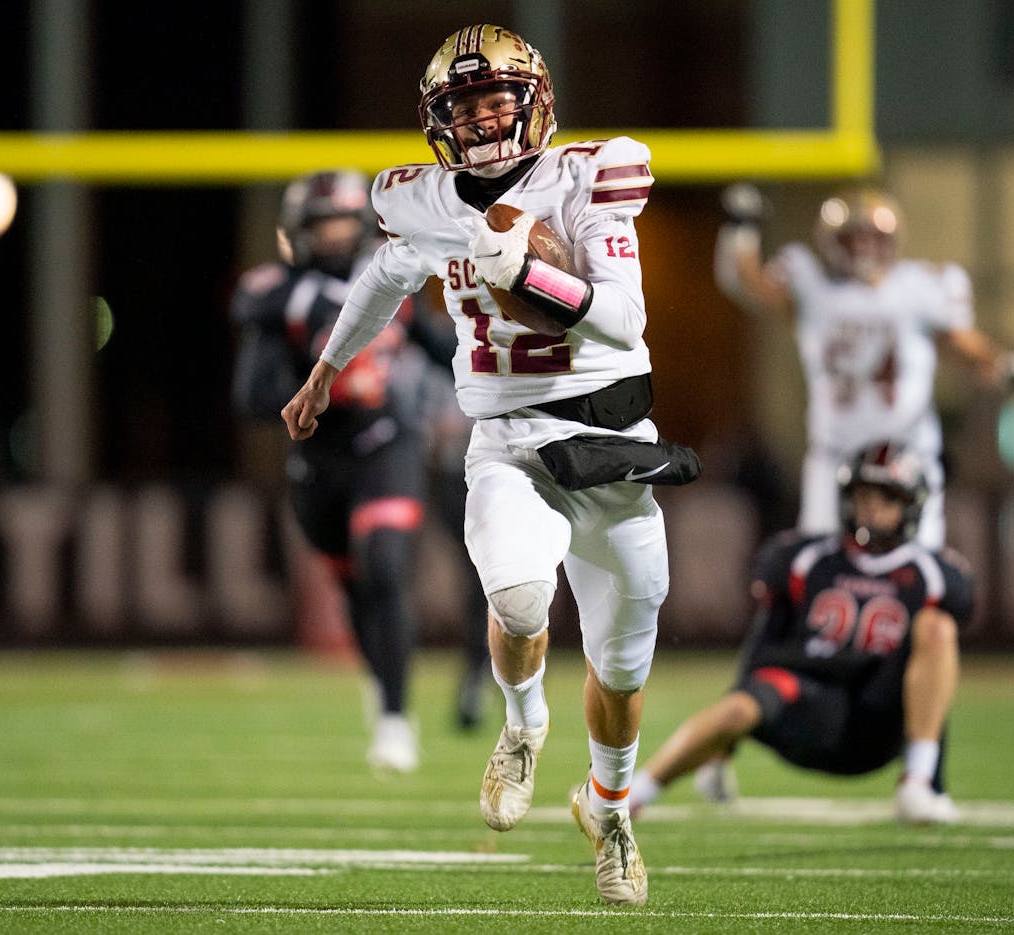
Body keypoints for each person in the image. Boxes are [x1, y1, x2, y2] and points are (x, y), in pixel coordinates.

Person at [279, 24, 698, 905]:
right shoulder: (424, 200)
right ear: (439, 121)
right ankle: (521, 725)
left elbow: (622, 321)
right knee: (515, 596)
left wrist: (529, 271)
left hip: (612, 445)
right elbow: (388, 274)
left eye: (496, 101)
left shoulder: (586, 176)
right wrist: (326, 368)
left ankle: (610, 807)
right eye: (462, 107)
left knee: (622, 669)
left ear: (534, 101)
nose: (480, 119)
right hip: (508, 438)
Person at [627, 441, 975, 825]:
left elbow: (934, 672)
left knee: (937, 628)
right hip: (808, 694)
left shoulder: (933, 573)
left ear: (910, 504)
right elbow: (764, 641)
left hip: (877, 713)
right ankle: (630, 796)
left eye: (887, 496)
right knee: (738, 707)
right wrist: (731, 732)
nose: (872, 506)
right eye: (863, 494)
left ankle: (919, 781)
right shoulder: (808, 558)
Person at [231, 169, 435, 774]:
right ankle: (382, 684)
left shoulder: (391, 275)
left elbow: (438, 344)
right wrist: (330, 387)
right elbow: (251, 395)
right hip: (319, 459)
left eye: (344, 220)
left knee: (386, 565)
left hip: (386, 443)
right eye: (322, 224)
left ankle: (396, 718)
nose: (335, 234)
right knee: (355, 584)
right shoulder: (281, 297)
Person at [714, 183, 1014, 550]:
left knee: (915, 563)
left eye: (873, 238)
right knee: (823, 564)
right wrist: (740, 232)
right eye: (852, 239)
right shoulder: (813, 283)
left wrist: (999, 362)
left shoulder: (918, 287)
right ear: (830, 241)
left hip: (906, 451)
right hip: (836, 454)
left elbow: (956, 340)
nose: (863, 248)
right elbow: (754, 288)